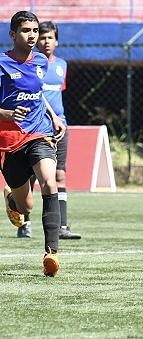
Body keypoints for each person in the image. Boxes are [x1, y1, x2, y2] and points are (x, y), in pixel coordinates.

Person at [0, 11, 64, 276]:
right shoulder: (1, 64)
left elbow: (37, 94)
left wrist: (53, 116)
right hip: (9, 141)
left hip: (38, 133)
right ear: (13, 34)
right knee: (26, 206)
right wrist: (4, 114)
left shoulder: (40, 61)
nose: (32, 36)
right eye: (26, 31)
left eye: (35, 31)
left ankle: (51, 254)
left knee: (50, 181)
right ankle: (12, 201)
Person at [17, 20, 81, 240]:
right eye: (42, 37)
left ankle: (62, 226)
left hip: (60, 126)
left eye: (50, 37)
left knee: (60, 175)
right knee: (33, 178)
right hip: (37, 126)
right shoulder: (31, 64)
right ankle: (24, 222)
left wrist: (58, 119)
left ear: (56, 41)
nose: (45, 41)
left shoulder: (62, 65)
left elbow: (57, 93)